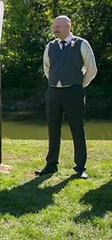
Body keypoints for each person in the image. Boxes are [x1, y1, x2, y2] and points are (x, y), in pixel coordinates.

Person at [35, 15, 97, 179]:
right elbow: (47, 68)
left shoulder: (81, 44)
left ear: (68, 26)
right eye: (54, 27)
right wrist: (56, 83)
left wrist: (78, 84)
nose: (55, 30)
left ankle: (80, 167)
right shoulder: (50, 46)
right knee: (53, 129)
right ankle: (51, 165)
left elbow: (91, 69)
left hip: (74, 92)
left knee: (77, 129)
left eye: (58, 27)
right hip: (53, 92)